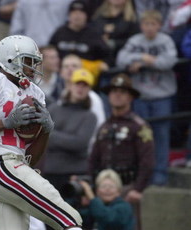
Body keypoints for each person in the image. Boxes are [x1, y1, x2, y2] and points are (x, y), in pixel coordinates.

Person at [0, 35, 83, 230]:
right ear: (9, 60)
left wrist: (46, 130)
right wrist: (5, 123)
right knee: (69, 219)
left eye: (35, 62)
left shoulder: (35, 93)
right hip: (1, 166)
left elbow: (30, 160)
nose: (33, 67)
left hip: (13, 169)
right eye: (28, 61)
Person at [116, 9, 177, 186]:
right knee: (141, 135)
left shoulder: (165, 41)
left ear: (159, 25)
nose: (149, 28)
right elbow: (121, 59)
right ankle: (143, 173)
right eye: (146, 24)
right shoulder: (135, 41)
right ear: (141, 25)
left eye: (153, 24)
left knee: (161, 134)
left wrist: (147, 61)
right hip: (140, 95)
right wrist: (142, 56)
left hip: (162, 95)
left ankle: (160, 174)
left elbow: (169, 61)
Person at [89, 73, 155, 230]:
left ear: (130, 97)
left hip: (128, 187)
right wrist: (93, 185)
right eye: (114, 91)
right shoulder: (104, 126)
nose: (117, 95)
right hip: (104, 187)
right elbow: (93, 158)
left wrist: (138, 189)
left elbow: (148, 161)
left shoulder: (139, 126)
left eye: (123, 91)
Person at [43, 68, 97, 193]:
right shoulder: (54, 109)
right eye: (78, 84)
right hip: (50, 171)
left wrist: (51, 135)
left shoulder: (90, 116)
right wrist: (67, 138)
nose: (81, 88)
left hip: (76, 173)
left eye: (85, 85)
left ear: (89, 90)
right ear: (70, 85)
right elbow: (41, 135)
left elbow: (79, 143)